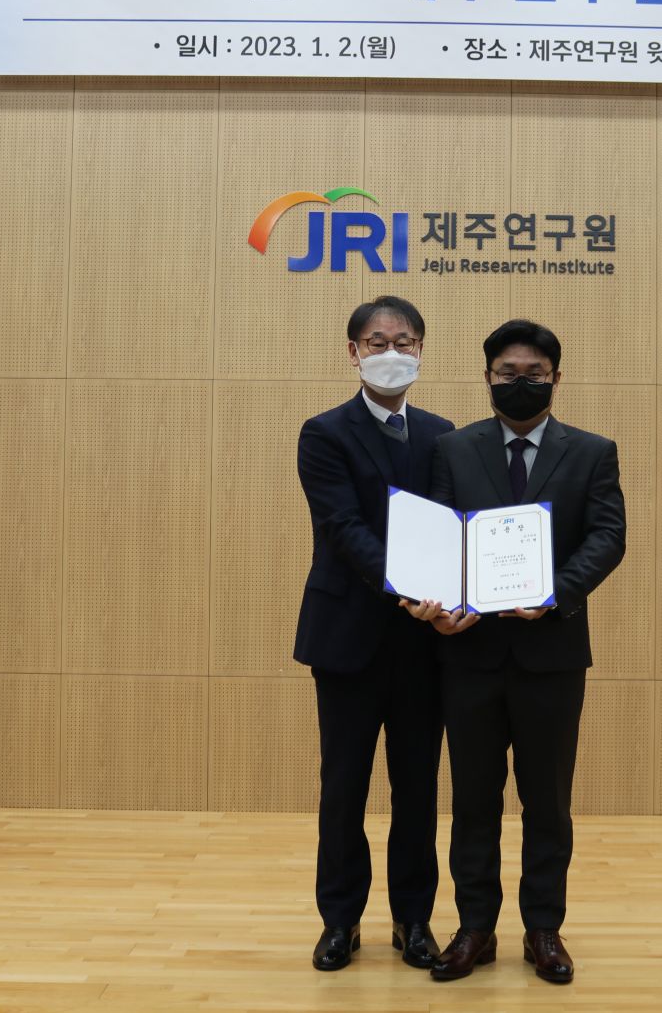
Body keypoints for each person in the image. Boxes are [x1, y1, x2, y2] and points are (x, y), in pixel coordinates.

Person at [403, 319, 627, 985]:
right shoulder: (453, 449)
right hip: (469, 655)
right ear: (487, 377)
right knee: (474, 801)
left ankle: (543, 930)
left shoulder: (592, 451)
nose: (521, 384)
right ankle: (474, 929)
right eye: (508, 374)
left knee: (547, 804)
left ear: (557, 378)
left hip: (551, 655)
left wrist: (554, 593)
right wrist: (440, 605)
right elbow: (438, 535)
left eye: (534, 374)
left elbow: (607, 537)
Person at [293, 296, 454, 972]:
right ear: (353, 352)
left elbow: (452, 529)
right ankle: (340, 921)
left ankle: (413, 920)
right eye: (378, 341)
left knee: (418, 789)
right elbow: (344, 530)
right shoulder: (324, 433)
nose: (392, 352)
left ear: (421, 351)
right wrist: (410, 592)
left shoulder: (443, 435)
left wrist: (452, 596)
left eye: (405, 341)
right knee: (344, 788)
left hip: (425, 644)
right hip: (348, 639)